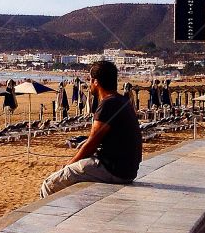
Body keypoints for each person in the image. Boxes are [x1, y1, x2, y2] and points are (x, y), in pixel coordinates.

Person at [40, 60, 142, 197]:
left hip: (113, 169)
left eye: (90, 80)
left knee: (49, 184)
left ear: (96, 81)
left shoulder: (108, 104)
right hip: (128, 170)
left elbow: (91, 144)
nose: (89, 85)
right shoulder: (123, 101)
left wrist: (69, 164)